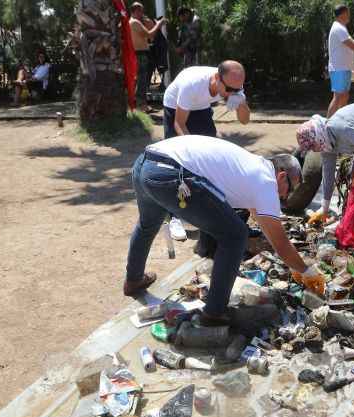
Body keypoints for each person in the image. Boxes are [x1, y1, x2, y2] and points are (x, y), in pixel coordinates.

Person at [124, 134, 326, 325]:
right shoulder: (266, 182)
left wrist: (293, 264)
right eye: (290, 188)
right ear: (282, 176)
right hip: (172, 174)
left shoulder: (252, 167)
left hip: (146, 163)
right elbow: (281, 244)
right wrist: (307, 271)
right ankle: (214, 312)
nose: (287, 196)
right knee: (235, 236)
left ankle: (133, 280)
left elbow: (263, 222)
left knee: (147, 224)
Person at [161, 60, 250, 247]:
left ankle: (205, 213)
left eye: (238, 89)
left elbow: (244, 121)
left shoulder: (233, 83)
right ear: (217, 79)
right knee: (178, 161)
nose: (233, 93)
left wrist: (240, 101)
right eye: (230, 90)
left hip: (201, 108)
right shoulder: (192, 84)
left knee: (211, 158)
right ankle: (174, 217)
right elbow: (179, 123)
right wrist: (193, 151)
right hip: (175, 107)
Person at [129, 2, 167, 108]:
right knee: (142, 81)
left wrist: (151, 22)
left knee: (142, 80)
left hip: (141, 54)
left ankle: (141, 104)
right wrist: (159, 23)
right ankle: (141, 105)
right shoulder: (135, 22)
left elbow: (151, 36)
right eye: (141, 11)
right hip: (139, 54)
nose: (143, 13)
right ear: (136, 11)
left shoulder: (136, 22)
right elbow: (150, 34)